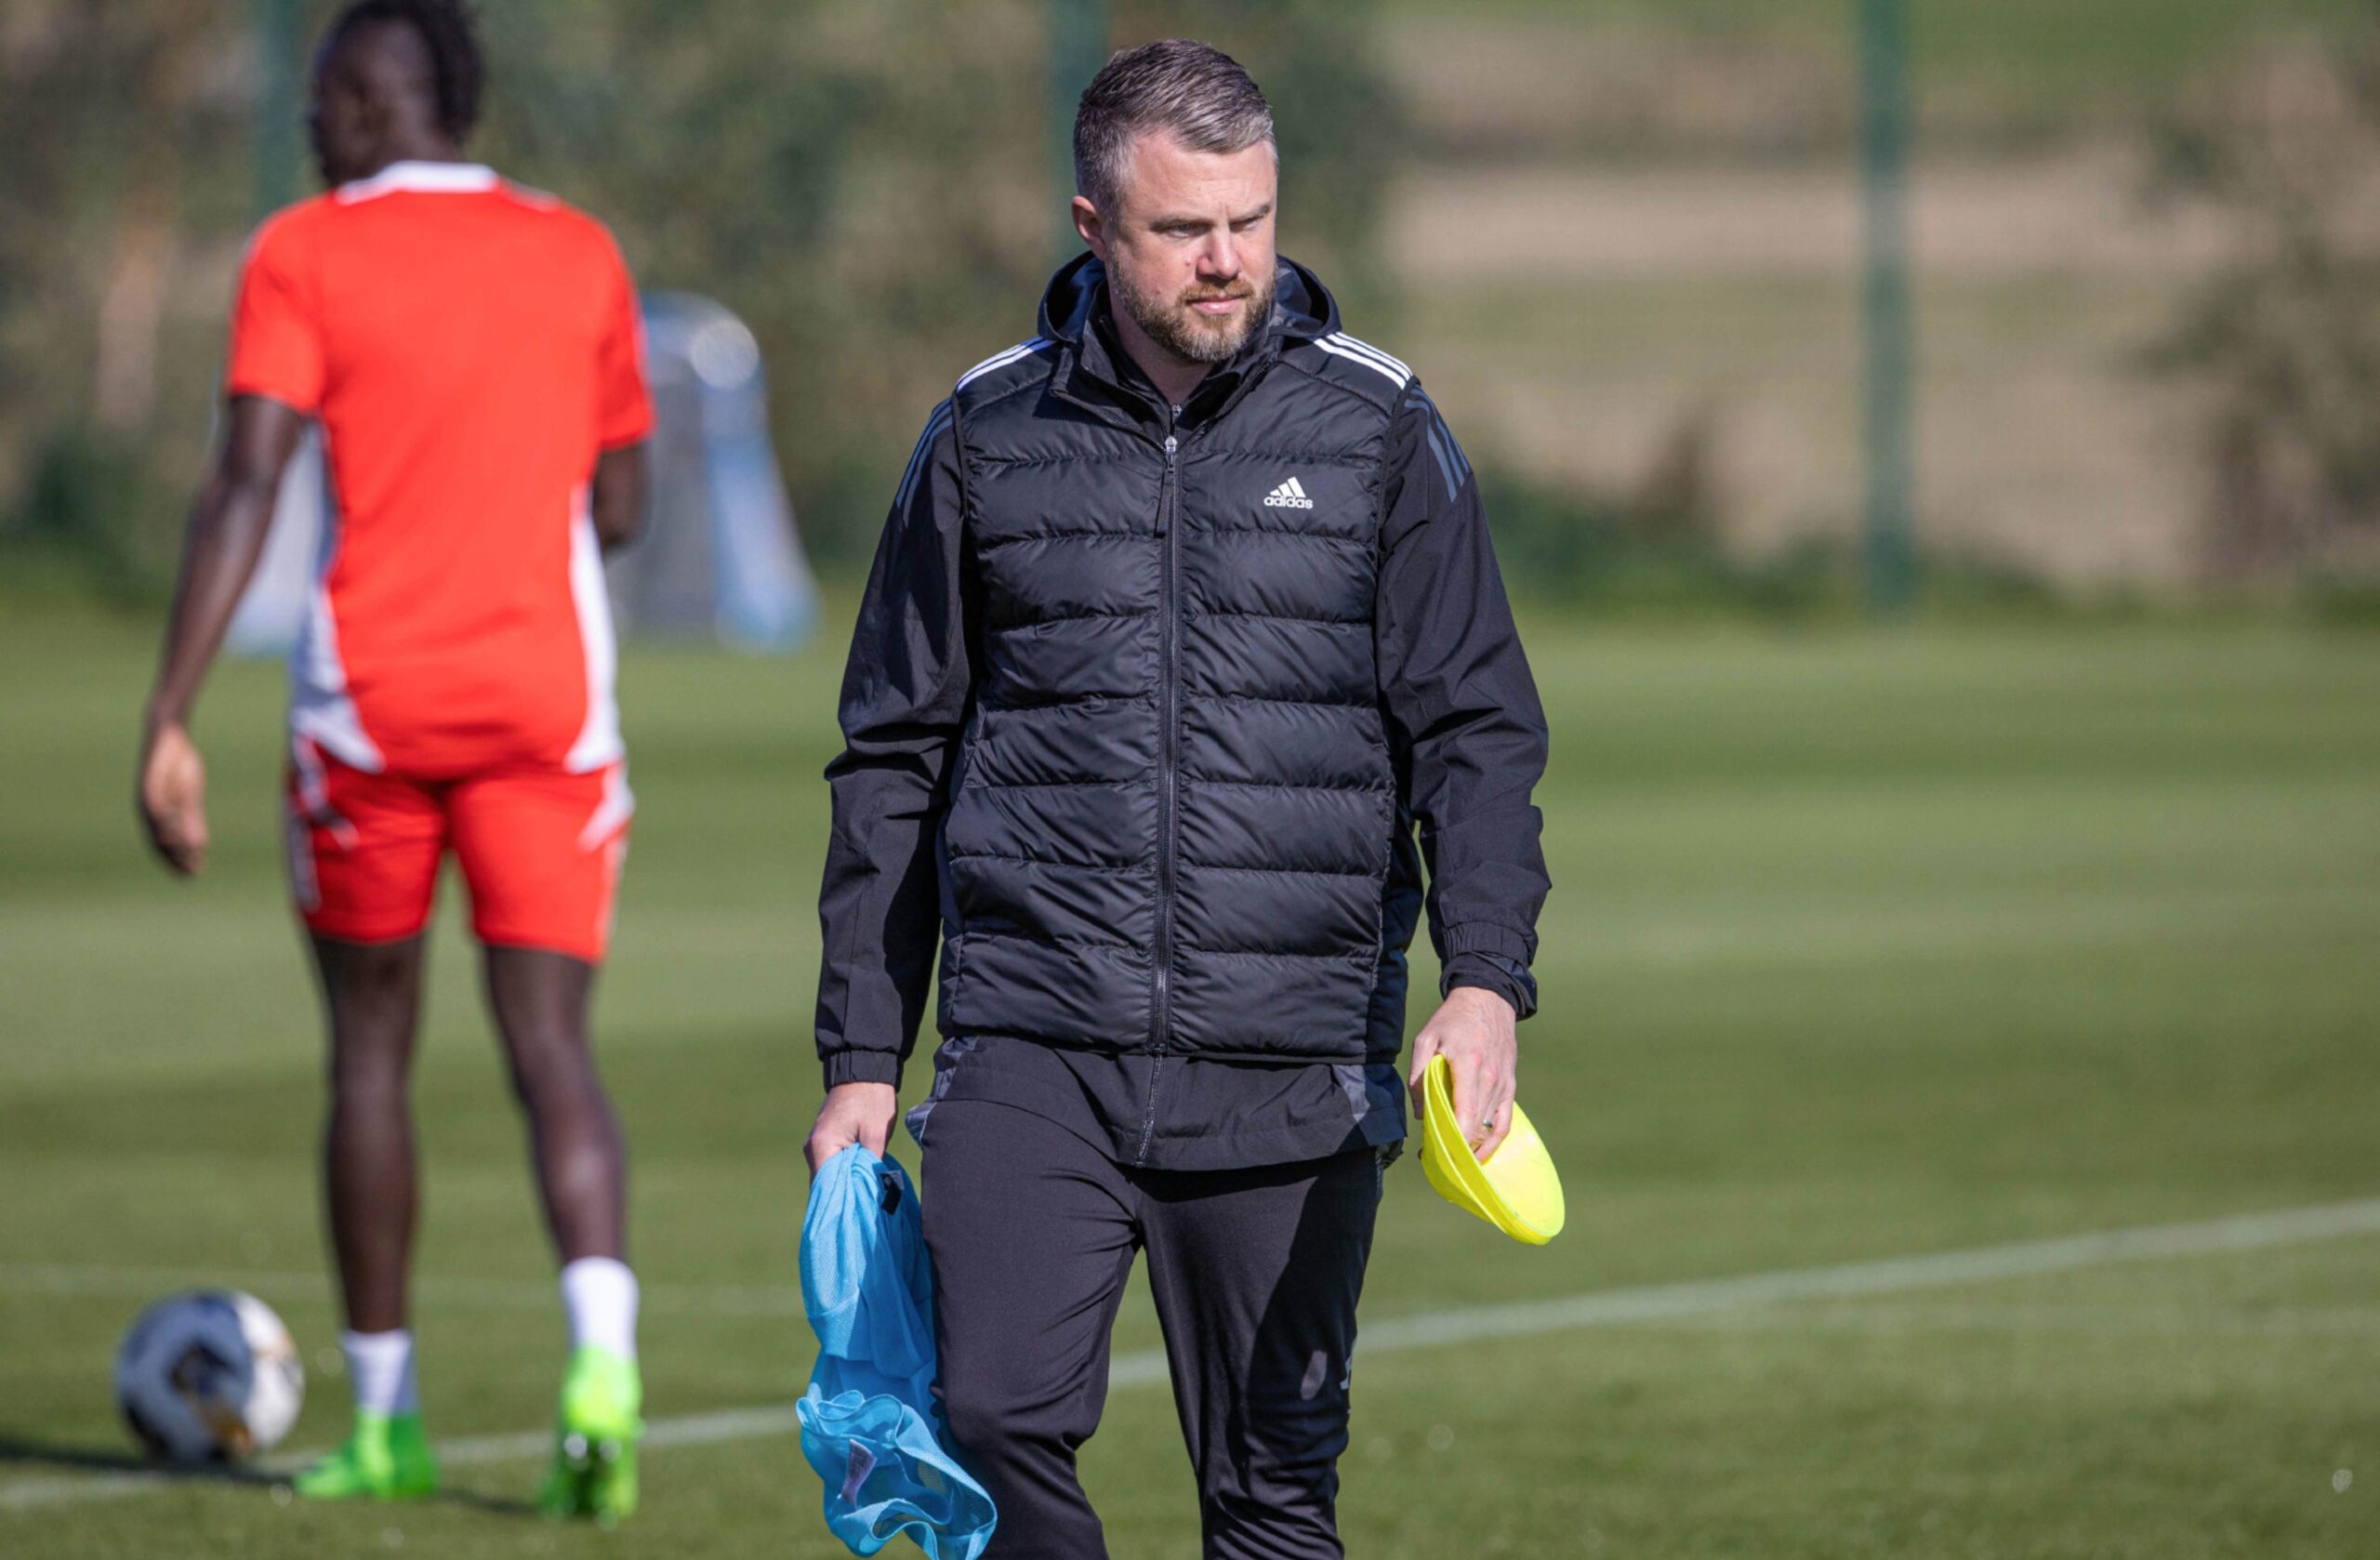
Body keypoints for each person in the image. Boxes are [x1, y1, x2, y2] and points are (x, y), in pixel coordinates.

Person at [807, 38, 1550, 1558]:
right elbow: (894, 755)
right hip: (1035, 1048)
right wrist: (862, 1050)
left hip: (1291, 1059)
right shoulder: (982, 435)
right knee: (988, 1420)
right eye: (1183, 229)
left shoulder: (1380, 431)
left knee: (1272, 1502)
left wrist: (1485, 980)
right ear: (1092, 226)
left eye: (1252, 220)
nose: (1230, 262)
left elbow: (1477, 731)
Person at [136, 0, 653, 1520]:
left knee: (370, 1054)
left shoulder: (303, 251)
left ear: (376, 96)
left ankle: (387, 1422)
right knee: (552, 1049)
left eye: (323, 94)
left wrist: (168, 711)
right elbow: (622, 507)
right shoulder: (579, 250)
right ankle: (603, 1365)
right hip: (548, 709)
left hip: (369, 713)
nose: (311, 119)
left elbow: (245, 483)